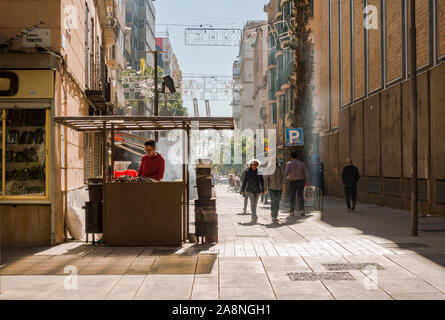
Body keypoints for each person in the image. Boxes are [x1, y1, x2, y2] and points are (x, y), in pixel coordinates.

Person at [285, 151, 308, 216]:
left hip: (292, 182)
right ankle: (302, 210)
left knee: (292, 196)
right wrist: (307, 182)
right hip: (300, 181)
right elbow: (306, 173)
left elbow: (286, 173)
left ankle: (292, 211)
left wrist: (286, 180)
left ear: (291, 156)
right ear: (297, 156)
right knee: (300, 196)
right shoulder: (302, 164)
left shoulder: (289, 164)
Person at [264, 159, 286, 223]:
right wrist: (265, 188)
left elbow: (284, 177)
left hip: (279, 188)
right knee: (273, 201)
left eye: (275, 161)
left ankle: (275, 216)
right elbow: (265, 179)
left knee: (277, 202)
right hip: (272, 188)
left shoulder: (280, 168)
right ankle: (273, 216)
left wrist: (284, 186)